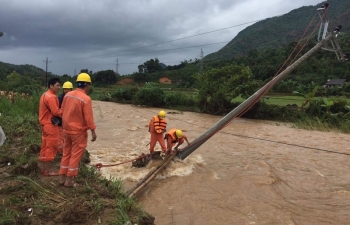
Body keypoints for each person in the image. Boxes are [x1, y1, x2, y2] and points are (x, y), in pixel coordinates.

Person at [59, 73, 97, 187]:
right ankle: (69, 181)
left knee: (66, 153)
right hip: (78, 132)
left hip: (66, 130)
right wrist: (93, 131)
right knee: (75, 155)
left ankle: (62, 178)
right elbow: (89, 118)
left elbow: (62, 111)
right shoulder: (86, 99)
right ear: (87, 85)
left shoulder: (68, 95)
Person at [38, 77, 62, 176]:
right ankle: (48, 171)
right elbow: (56, 112)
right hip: (51, 125)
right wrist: (65, 111)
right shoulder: (52, 97)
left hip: (44, 124)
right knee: (51, 147)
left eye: (60, 85)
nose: (59, 87)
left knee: (45, 146)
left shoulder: (44, 95)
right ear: (51, 86)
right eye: (57, 85)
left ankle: (44, 169)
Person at [57, 81, 73, 154]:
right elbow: (57, 109)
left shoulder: (73, 98)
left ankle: (67, 149)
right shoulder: (60, 98)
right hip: (61, 119)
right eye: (65, 89)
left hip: (70, 120)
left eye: (68, 89)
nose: (66, 90)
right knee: (61, 135)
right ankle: (62, 150)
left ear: (71, 89)